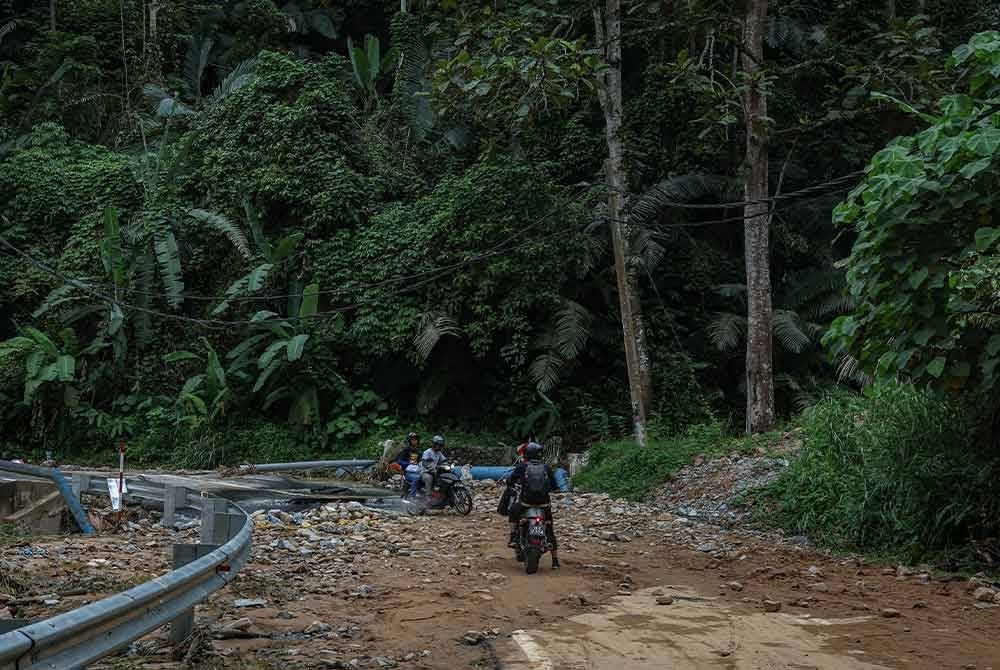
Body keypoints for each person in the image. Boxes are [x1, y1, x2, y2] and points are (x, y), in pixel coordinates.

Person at [506, 442, 559, 568]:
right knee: (550, 528)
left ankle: (513, 537)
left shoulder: (522, 466)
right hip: (544, 505)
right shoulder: (546, 467)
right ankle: (555, 560)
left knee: (513, 511)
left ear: (527, 454)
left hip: (526, 503)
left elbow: (511, 480)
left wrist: (510, 484)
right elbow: (554, 485)